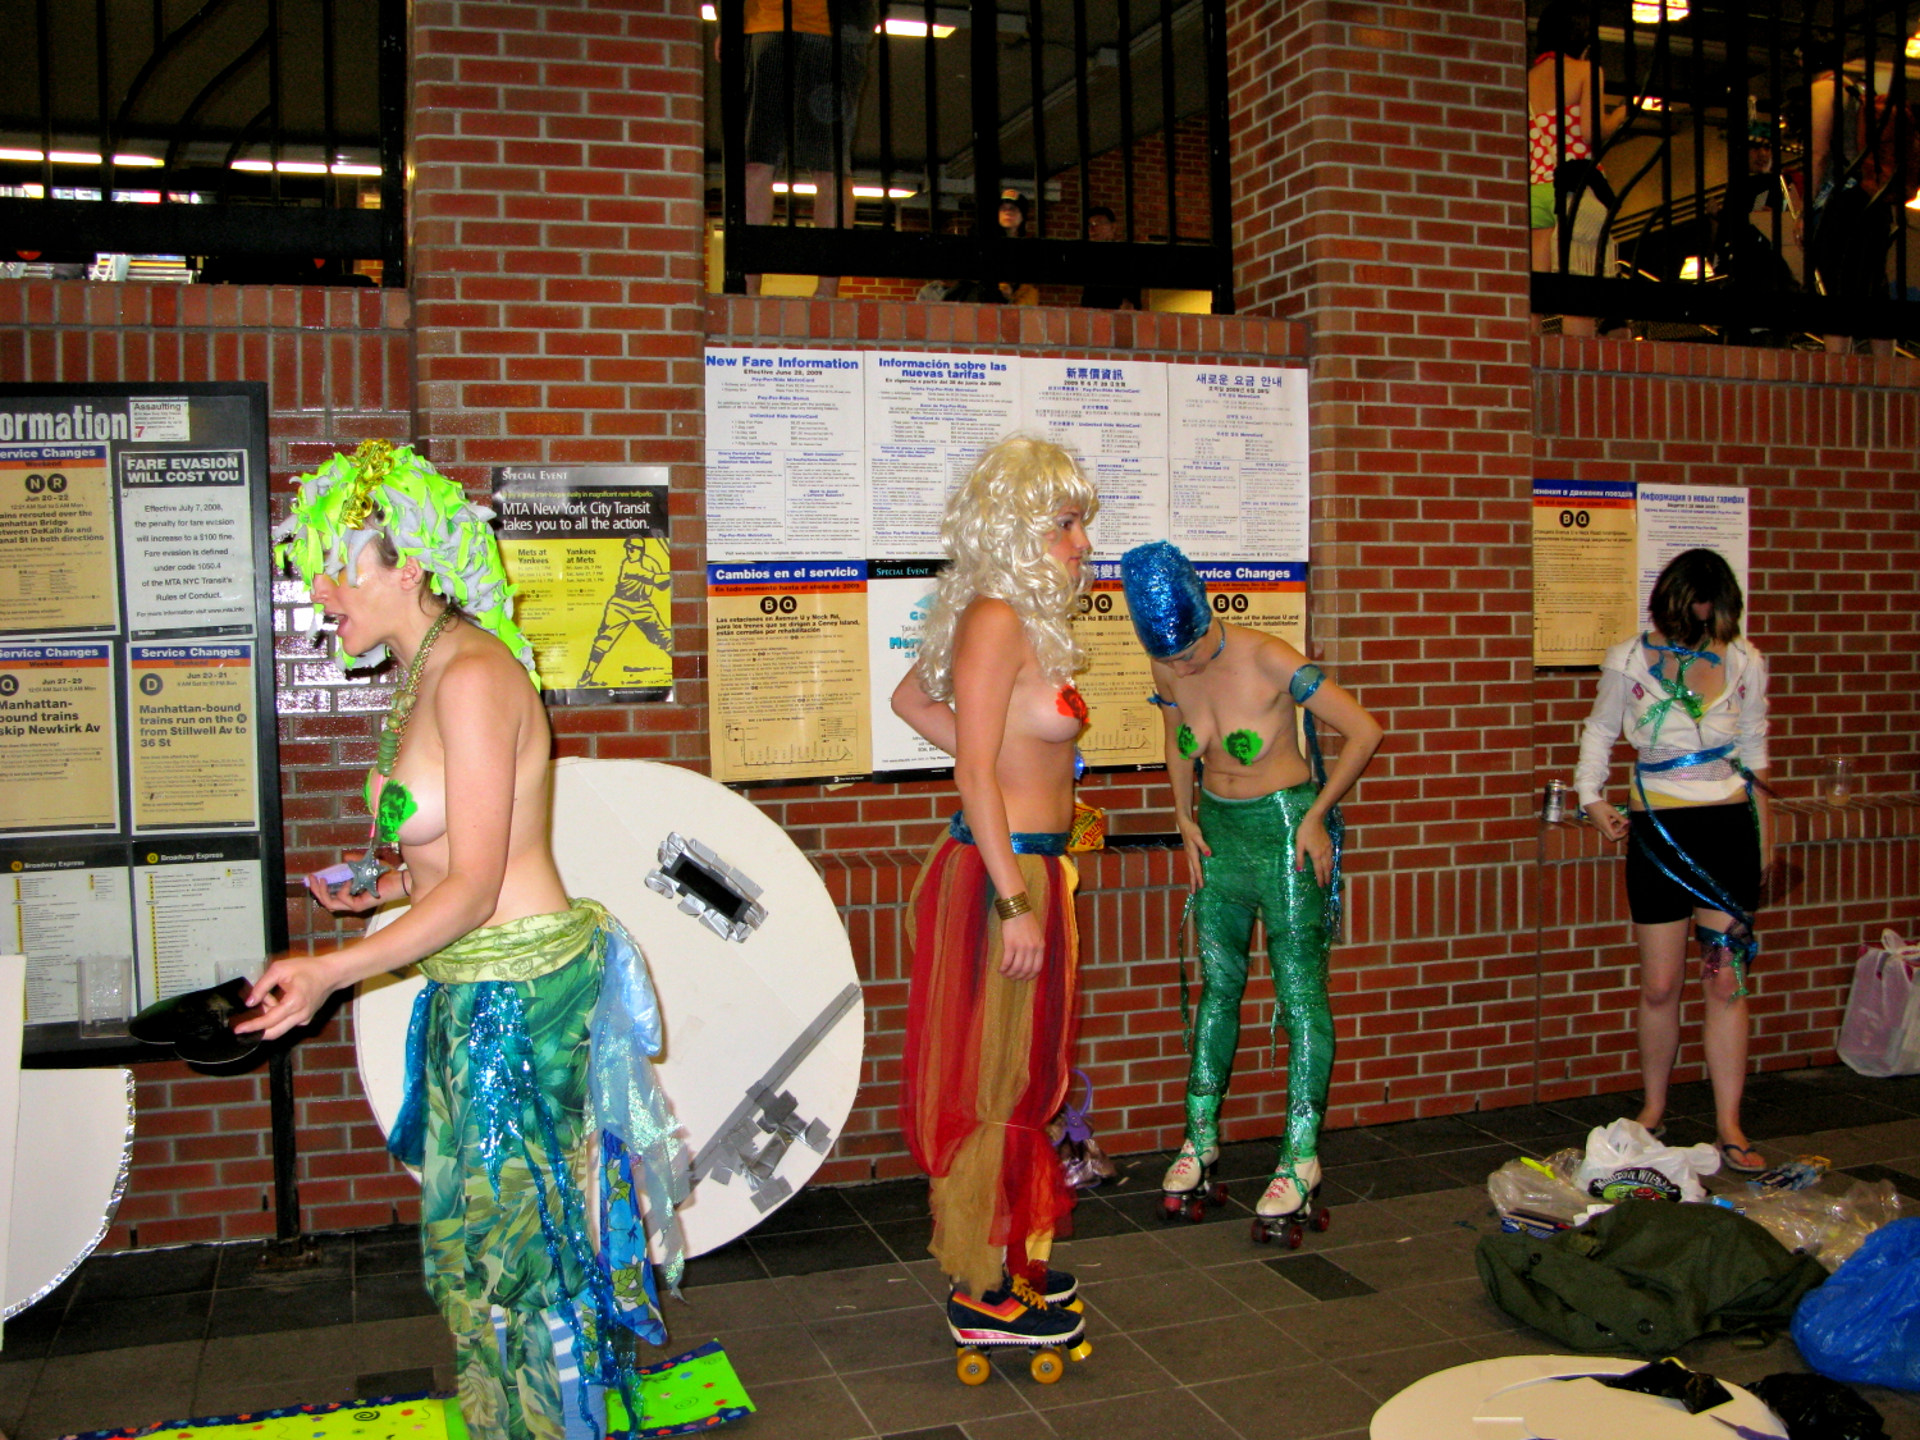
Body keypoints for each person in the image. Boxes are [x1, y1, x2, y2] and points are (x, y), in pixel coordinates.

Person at [243, 441, 686, 1440]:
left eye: (337, 567)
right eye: (312, 568)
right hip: (475, 990)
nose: (320, 591)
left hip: (522, 999)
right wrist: (380, 889)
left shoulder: (474, 676)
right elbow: (447, 861)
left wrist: (330, 972)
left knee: (517, 1258)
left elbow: (480, 886)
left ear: (408, 564)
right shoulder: (420, 670)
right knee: (486, 1254)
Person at [891, 435, 1095, 1354]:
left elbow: (912, 701)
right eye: (1066, 524)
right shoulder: (995, 619)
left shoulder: (1020, 622)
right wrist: (1013, 898)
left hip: (1032, 867)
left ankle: (1008, 1259)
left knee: (1022, 1076)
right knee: (992, 1078)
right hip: (999, 876)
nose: (1082, 542)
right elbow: (973, 771)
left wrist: (1015, 779)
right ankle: (980, 1290)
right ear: (1017, 528)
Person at [1119, 542, 1381, 1235]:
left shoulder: (1269, 658)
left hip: (1285, 829)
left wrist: (1318, 816)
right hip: (1219, 834)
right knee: (1219, 986)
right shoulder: (1167, 663)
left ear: (1206, 616)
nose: (1181, 670)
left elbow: (1364, 729)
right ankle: (1199, 1136)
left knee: (1299, 993)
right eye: (1168, 659)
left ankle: (1301, 1155)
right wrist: (1182, 815)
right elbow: (1176, 735)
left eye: (1188, 655)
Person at [1576, 547, 1773, 1175]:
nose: (1703, 625)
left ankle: (1729, 1123)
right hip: (1659, 830)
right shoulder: (1629, 659)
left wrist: (1767, 840)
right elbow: (1600, 730)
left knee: (1725, 980)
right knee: (1660, 984)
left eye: (1712, 615)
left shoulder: (1745, 659)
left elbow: (1755, 748)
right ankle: (1654, 1106)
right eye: (1693, 614)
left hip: (1728, 829)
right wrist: (1591, 797)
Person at [739, 0, 877, 297]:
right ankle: (747, 288)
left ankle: (827, 292)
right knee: (756, 162)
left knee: (829, 167)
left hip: (833, 30)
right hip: (766, 25)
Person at [1527, 2, 1625, 334]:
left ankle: (1529, 353)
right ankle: (1576, 356)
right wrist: (1620, 115)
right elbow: (1590, 132)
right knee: (1578, 283)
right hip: (1573, 186)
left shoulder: (1526, 80)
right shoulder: (1585, 71)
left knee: (1536, 289)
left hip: (1537, 184)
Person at [578, 535, 672, 688]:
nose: (630, 552)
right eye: (628, 549)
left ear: (641, 550)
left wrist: (671, 576)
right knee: (604, 639)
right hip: (620, 605)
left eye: (633, 549)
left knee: (665, 637)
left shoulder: (651, 563)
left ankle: (682, 672)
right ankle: (586, 676)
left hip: (642, 606)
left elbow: (661, 586)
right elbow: (654, 579)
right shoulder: (629, 565)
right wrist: (673, 574)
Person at [1078, 206, 1140, 310]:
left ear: (1113, 227)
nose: (1092, 229)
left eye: (1098, 223)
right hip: (1092, 310)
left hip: (1116, 308)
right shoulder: (1088, 254)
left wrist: (1128, 301)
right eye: (1090, 225)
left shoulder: (1124, 254)